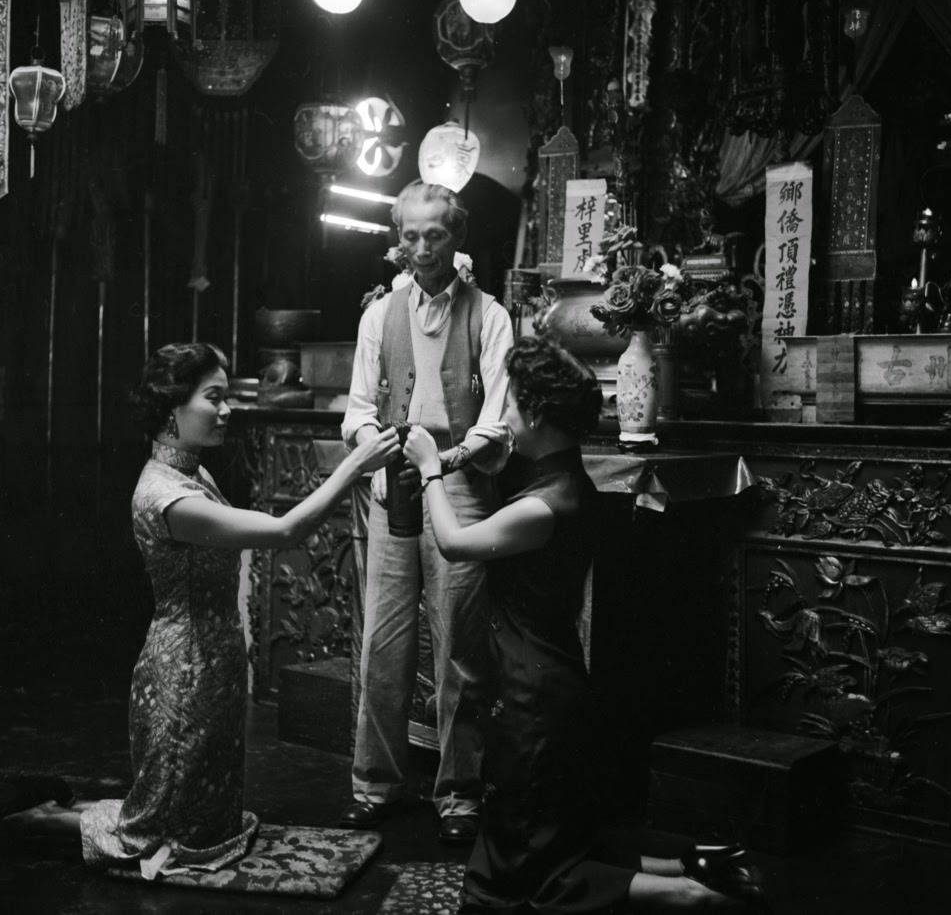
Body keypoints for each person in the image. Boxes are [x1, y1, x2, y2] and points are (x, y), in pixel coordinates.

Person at [0, 342, 400, 878]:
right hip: (183, 673)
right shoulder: (165, 495)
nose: (227, 409)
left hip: (215, 664)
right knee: (156, 839)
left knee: (203, 821)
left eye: (228, 396)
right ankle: (27, 824)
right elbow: (285, 531)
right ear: (172, 408)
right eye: (214, 397)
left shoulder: (194, 473)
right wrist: (355, 464)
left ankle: (52, 808)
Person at [401, 335, 768, 913]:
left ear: (538, 415)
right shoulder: (567, 478)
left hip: (532, 692)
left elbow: (452, 544)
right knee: (547, 834)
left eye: (514, 405)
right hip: (551, 676)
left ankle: (686, 894)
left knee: (530, 872)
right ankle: (700, 866)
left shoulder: (545, 504)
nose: (505, 416)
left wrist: (429, 470)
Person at [339, 180, 514, 844]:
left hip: (460, 491)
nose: (420, 248)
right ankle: (374, 783)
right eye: (409, 235)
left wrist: (450, 457)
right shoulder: (379, 316)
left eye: (433, 235)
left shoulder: (488, 314)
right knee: (383, 644)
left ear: (457, 236)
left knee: (459, 652)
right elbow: (357, 408)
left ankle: (459, 791)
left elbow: (500, 419)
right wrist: (372, 442)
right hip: (392, 489)